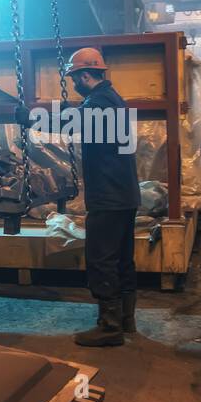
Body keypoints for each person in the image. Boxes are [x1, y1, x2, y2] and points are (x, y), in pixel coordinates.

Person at [65, 47, 141, 347]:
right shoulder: (112, 100)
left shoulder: (99, 103)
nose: (73, 83)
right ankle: (126, 320)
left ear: (86, 75)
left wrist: (30, 119)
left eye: (74, 77)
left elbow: (69, 122)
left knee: (101, 260)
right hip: (123, 196)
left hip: (108, 197)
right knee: (122, 259)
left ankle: (110, 327)